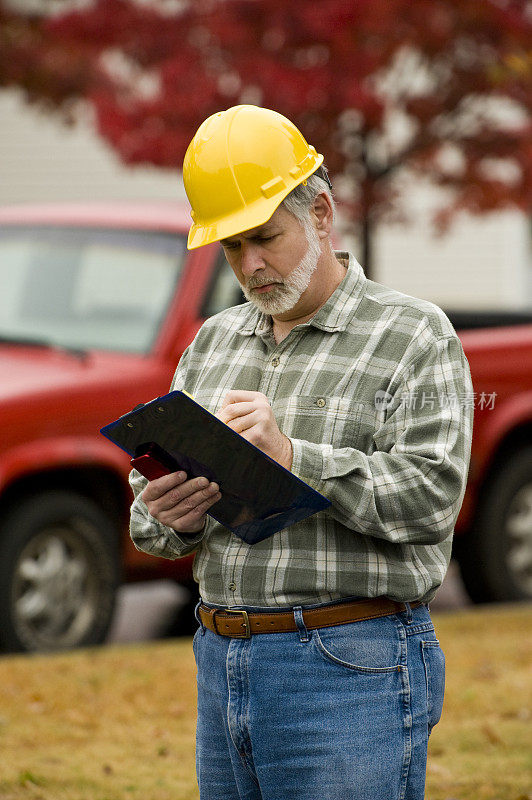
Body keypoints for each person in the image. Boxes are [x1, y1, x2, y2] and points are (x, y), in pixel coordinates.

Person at [129, 105, 474, 800]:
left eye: (265, 238)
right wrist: (173, 515)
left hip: (349, 666)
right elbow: (149, 528)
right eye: (231, 247)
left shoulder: (414, 336)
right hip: (219, 657)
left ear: (320, 211)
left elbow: (432, 500)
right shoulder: (212, 343)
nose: (250, 265)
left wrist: (291, 454)